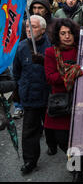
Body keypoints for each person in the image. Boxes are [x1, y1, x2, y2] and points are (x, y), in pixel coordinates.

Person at [44, 18, 83, 182]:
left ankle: (78, 171)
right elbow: (50, 77)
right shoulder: (50, 52)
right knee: (62, 140)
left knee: (78, 140)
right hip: (60, 102)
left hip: (80, 99)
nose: (67, 36)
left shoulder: (81, 50)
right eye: (63, 33)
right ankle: (72, 161)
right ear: (57, 35)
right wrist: (73, 72)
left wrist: (71, 73)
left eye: (69, 33)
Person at [13, 15, 53, 175]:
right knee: (30, 131)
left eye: (33, 27)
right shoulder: (21, 47)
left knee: (52, 129)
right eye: (27, 27)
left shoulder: (51, 45)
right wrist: (17, 90)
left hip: (49, 97)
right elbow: (16, 72)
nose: (29, 29)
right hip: (30, 96)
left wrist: (44, 61)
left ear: (43, 29)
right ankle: (30, 160)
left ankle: (53, 145)